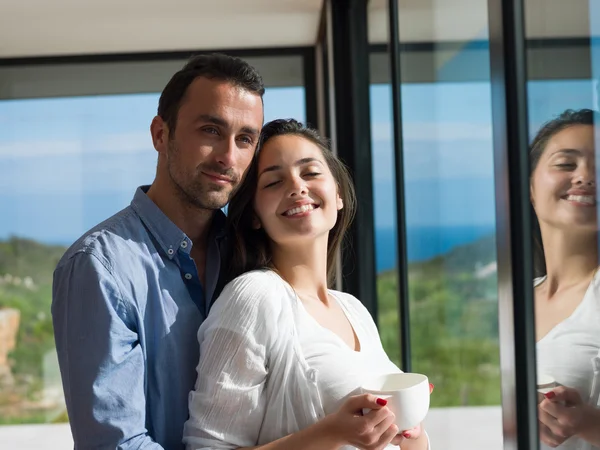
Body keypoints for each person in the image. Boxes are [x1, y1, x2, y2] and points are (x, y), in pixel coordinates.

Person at [51, 53, 265, 449]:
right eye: (210, 130)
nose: (228, 157)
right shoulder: (99, 268)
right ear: (160, 134)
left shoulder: (250, 255)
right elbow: (117, 445)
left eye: (245, 139)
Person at [183, 119, 432, 450]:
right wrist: (330, 433)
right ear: (255, 214)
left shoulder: (352, 310)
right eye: (273, 182)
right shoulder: (254, 298)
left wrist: (411, 434)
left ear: (338, 194)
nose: (297, 187)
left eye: (311, 173)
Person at [530, 108, 600, 449]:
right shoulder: (516, 299)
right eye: (566, 163)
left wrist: (590, 423)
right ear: (530, 186)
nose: (587, 176)